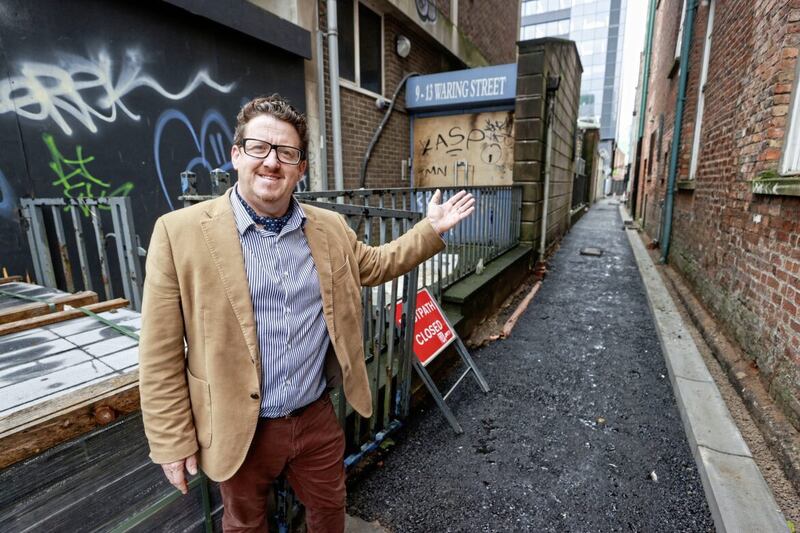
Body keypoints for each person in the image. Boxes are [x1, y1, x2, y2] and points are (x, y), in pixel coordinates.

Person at [138, 94, 475, 533]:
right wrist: (171, 440)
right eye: (259, 147)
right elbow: (159, 350)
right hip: (237, 423)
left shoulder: (329, 227)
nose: (271, 162)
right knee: (244, 525)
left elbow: (374, 265)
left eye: (286, 153)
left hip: (314, 416)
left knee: (329, 512)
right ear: (236, 154)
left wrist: (430, 229)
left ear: (301, 168)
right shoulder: (178, 232)